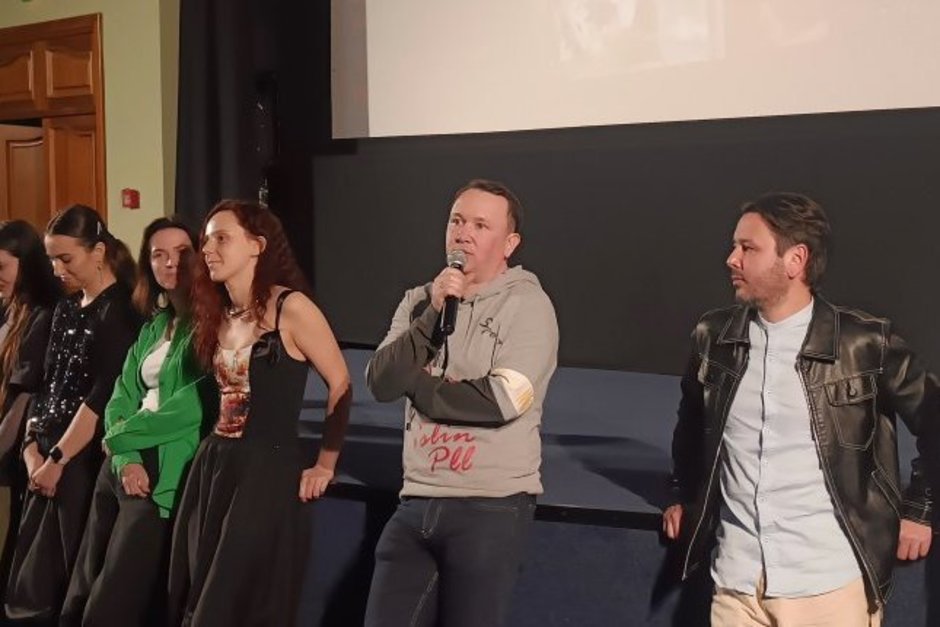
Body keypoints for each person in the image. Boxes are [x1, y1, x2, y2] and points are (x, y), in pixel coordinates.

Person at [663, 192, 939, 626]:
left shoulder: (864, 343)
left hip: (828, 587)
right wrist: (682, 495)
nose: (732, 259)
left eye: (748, 248)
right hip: (736, 584)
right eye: (734, 247)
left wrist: (921, 509)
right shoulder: (714, 336)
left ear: (795, 260)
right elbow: (692, 424)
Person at [363, 179, 559, 627]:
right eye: (457, 221)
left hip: (489, 508)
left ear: (509, 244)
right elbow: (381, 382)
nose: (464, 233)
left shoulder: (528, 305)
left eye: (480, 225)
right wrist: (433, 315)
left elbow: (501, 400)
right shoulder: (419, 301)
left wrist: (416, 385)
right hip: (416, 500)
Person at [167, 199, 351, 627]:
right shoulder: (219, 314)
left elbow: (341, 382)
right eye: (206, 240)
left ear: (257, 245)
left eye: (221, 238)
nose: (208, 249)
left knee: (234, 599)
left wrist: (325, 463)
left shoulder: (292, 308)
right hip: (216, 466)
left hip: (265, 472)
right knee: (198, 590)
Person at [61, 217, 212, 626]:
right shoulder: (155, 326)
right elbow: (121, 394)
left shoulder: (212, 327)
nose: (170, 263)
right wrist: (124, 454)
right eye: (159, 255)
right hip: (122, 461)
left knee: (113, 597)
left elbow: (192, 408)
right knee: (83, 582)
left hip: (161, 467)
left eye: (182, 253)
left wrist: (121, 439)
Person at [4, 205, 141, 625]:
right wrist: (31, 445)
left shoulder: (120, 312)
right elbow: (46, 384)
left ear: (98, 252)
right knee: (25, 578)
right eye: (51, 259)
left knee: (59, 577)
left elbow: (102, 396)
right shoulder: (65, 308)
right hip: (44, 454)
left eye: (66, 259)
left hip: (79, 459)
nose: (56, 269)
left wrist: (58, 459)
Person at [0, 221, 61, 600]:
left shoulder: (42, 315)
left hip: (11, 454)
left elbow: (23, 394)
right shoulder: (11, 308)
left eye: (2, 267)